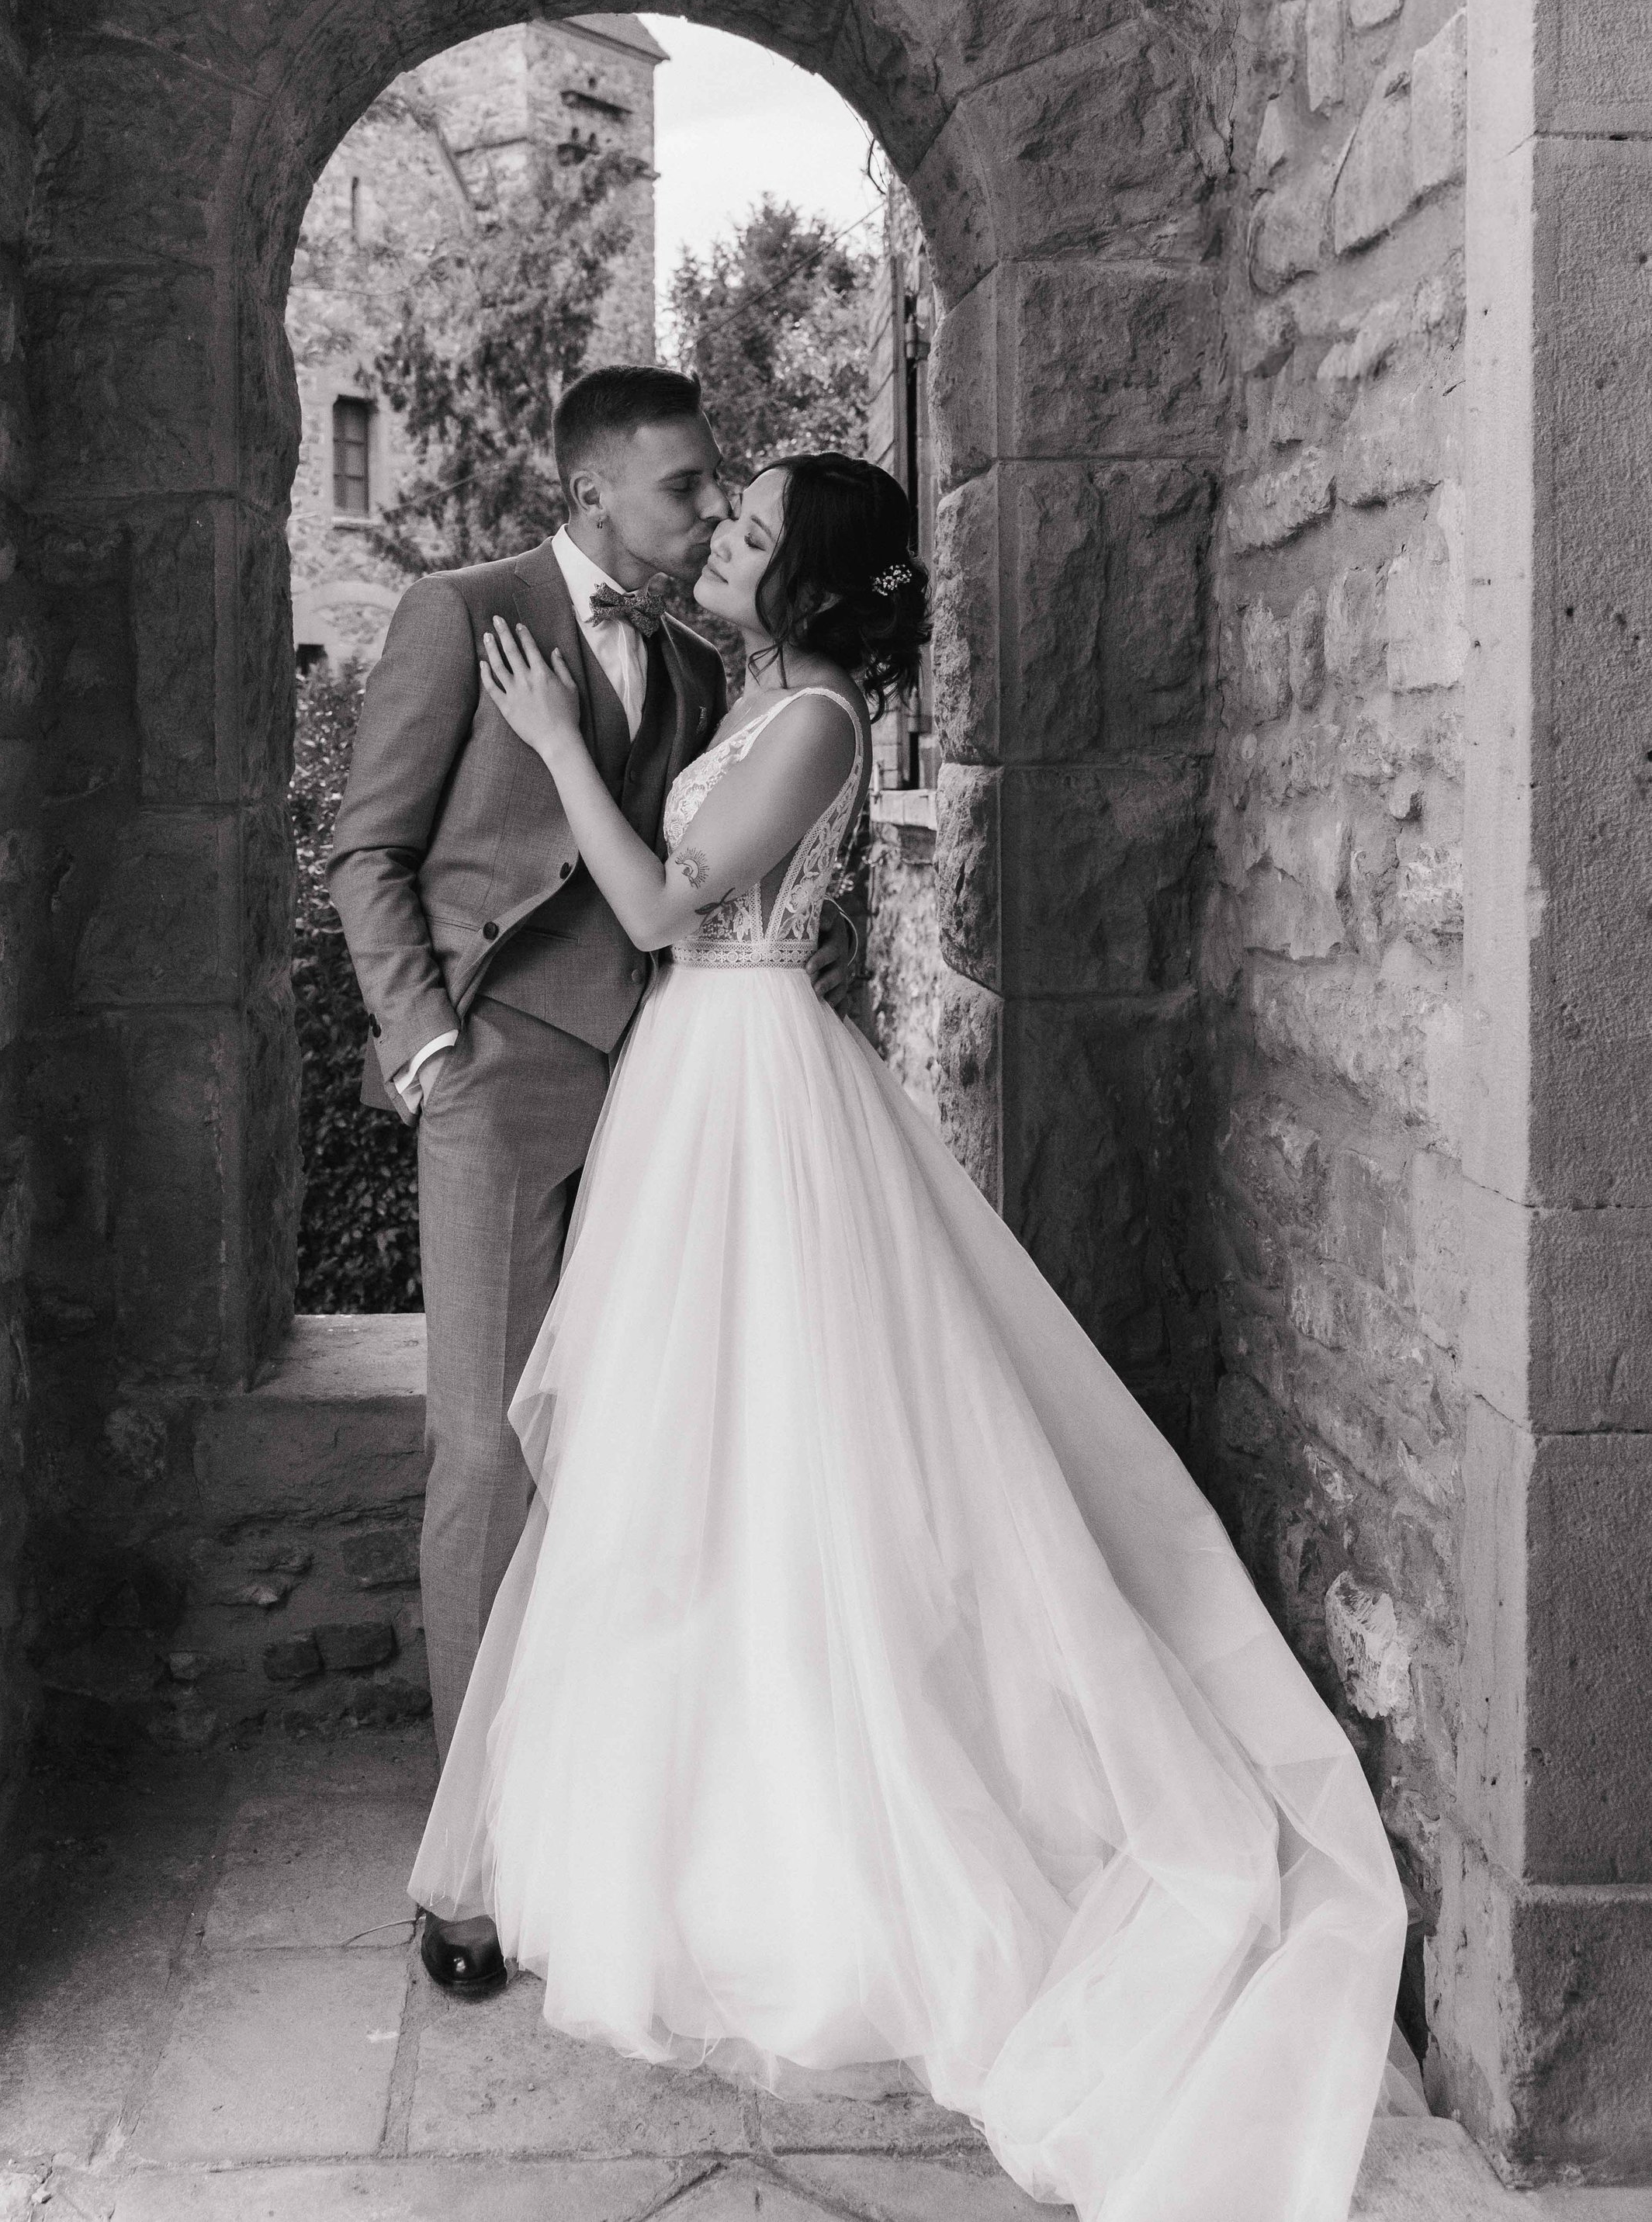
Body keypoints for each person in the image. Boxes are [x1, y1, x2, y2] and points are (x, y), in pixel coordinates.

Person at [407, 452, 1407, 2222]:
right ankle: (678, 1819)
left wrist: (562, 739)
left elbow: (656, 913)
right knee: (685, 1470)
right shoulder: (755, 695)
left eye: (749, 532)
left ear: (809, 582)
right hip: (692, 1089)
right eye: (720, 519)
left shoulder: (812, 724)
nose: (719, 539)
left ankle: (841, 1843)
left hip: (756, 1082)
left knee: (800, 1463)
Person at [326, 366, 856, 1998]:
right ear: (593, 495)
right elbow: (366, 848)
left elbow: (685, 881)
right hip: (495, 1092)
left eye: (720, 498)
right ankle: (469, 1869)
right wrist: (425, 1052)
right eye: (688, 488)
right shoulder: (457, 612)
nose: (708, 514)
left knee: (635, 1445)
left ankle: (608, 1808)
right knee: (486, 1449)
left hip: (665, 1094)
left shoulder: (711, 670)